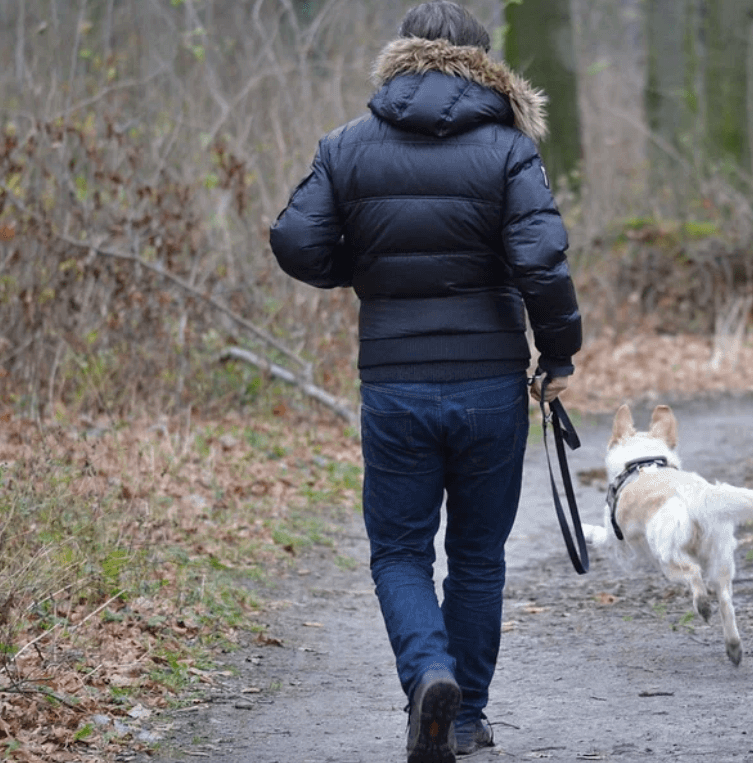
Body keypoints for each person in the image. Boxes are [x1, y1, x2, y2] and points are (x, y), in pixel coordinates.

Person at [269, 2, 582, 761]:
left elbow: (295, 239)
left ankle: (428, 675)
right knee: (478, 555)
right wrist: (559, 353)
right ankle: (465, 714)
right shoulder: (509, 150)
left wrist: (370, 270)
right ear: (484, 63)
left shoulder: (347, 145)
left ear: (400, 55)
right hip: (488, 384)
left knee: (400, 552)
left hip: (396, 383)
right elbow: (541, 260)